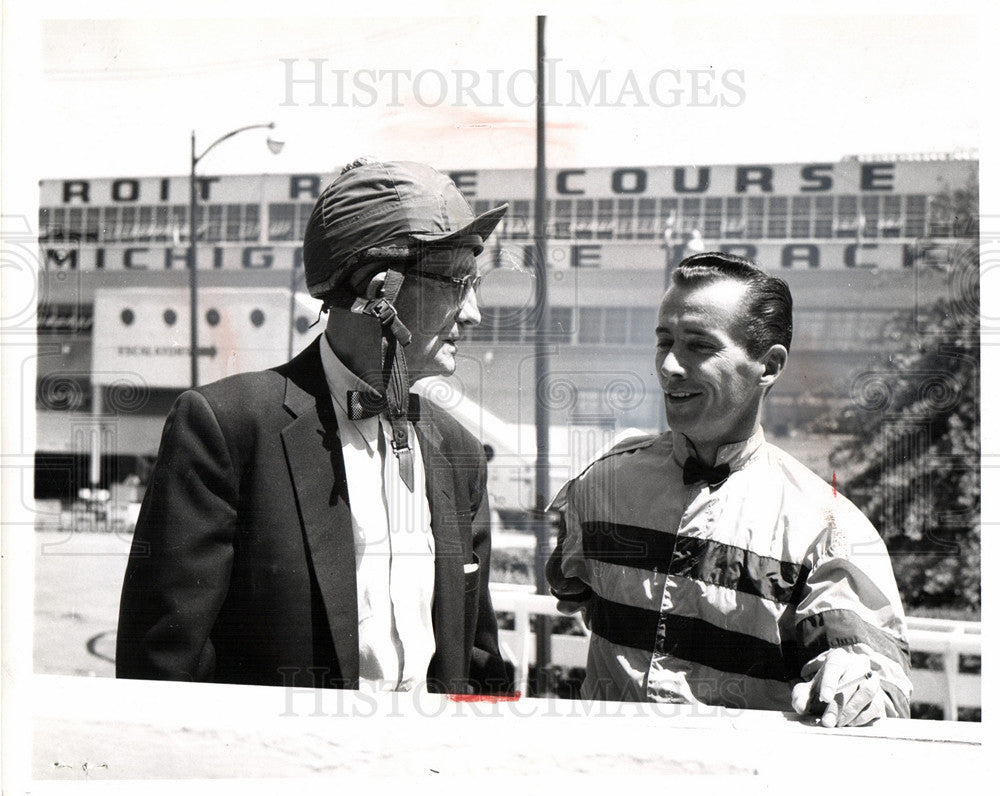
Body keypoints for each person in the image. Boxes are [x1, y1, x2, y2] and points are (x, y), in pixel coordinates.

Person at [117, 159, 512, 695]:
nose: (474, 314)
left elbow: (477, 656)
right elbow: (162, 667)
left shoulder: (459, 451)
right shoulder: (227, 430)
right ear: (379, 291)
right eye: (457, 284)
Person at [546, 251, 911, 726]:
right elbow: (568, 587)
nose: (670, 366)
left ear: (770, 365)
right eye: (664, 342)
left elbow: (874, 685)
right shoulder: (601, 483)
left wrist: (856, 682)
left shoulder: (826, 528)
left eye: (699, 345)